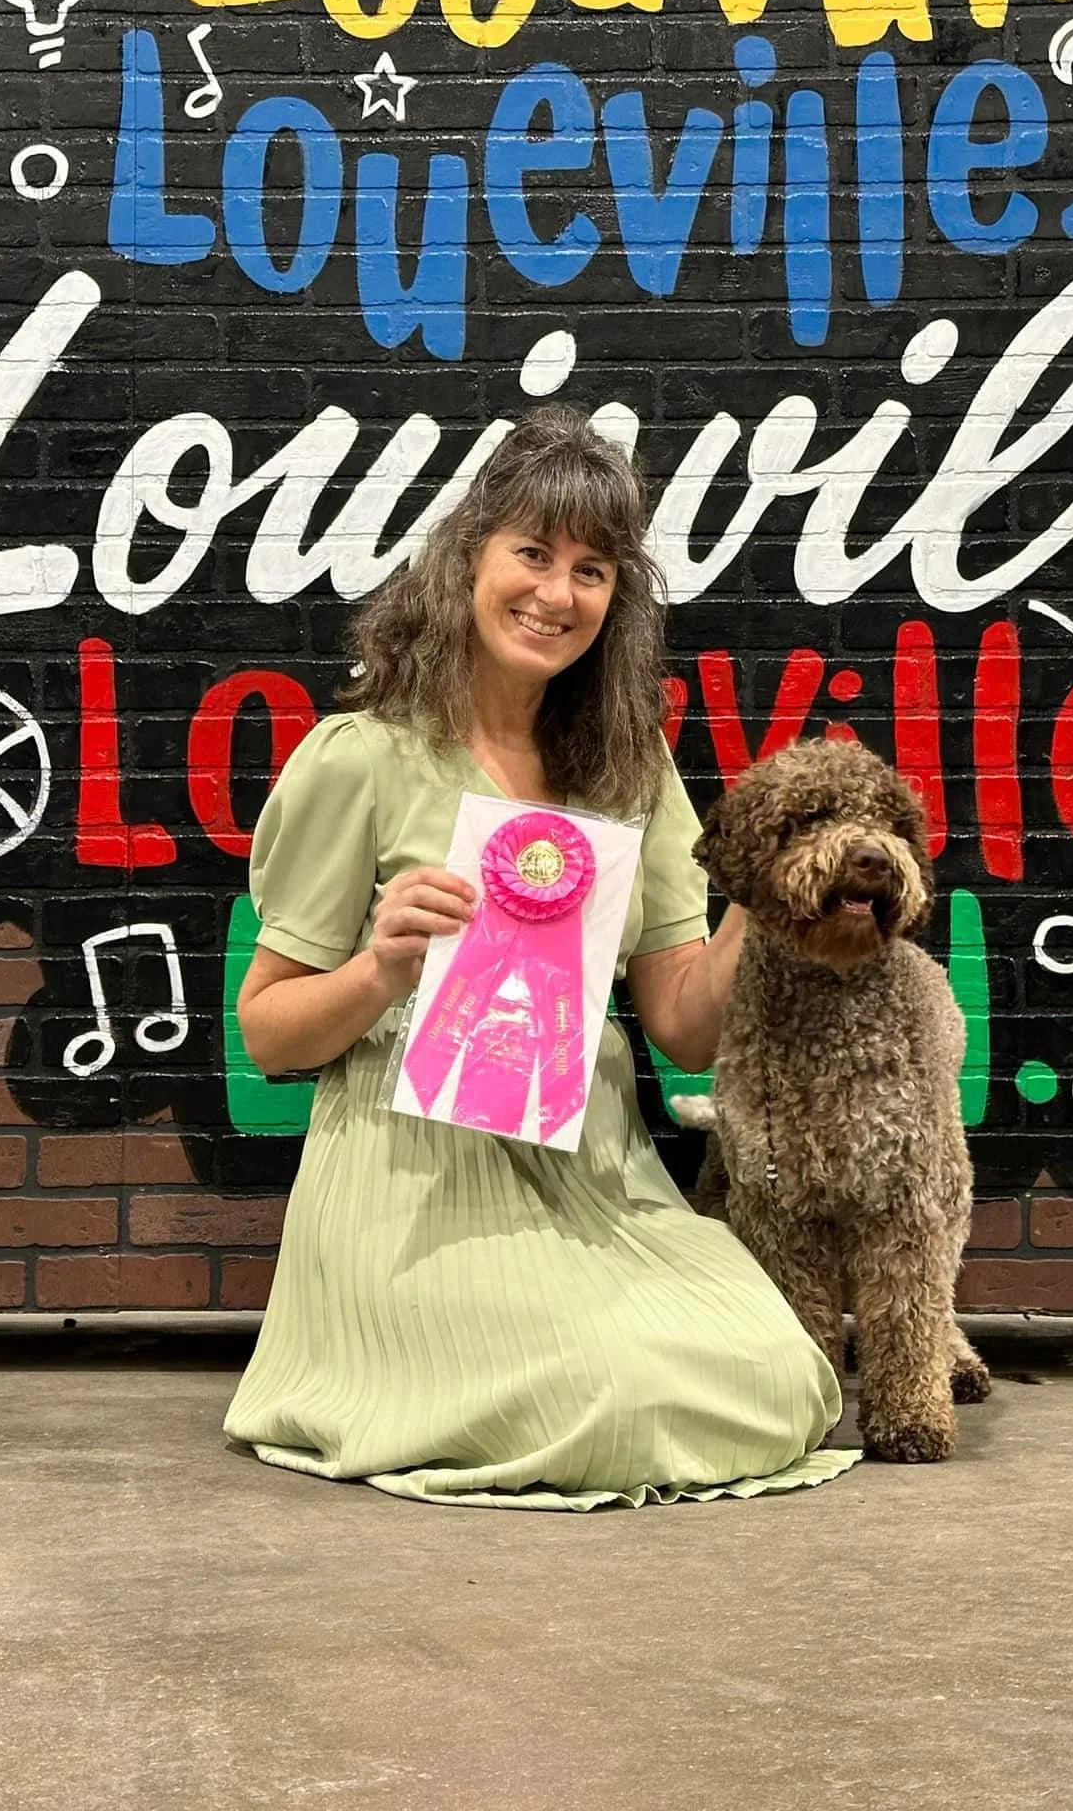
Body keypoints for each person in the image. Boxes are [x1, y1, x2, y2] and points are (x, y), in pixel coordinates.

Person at [223, 407, 861, 1509]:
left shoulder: (632, 765)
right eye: (531, 552)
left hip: (591, 1164)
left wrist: (760, 893)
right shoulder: (361, 755)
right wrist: (380, 968)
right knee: (604, 1392)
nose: (555, 594)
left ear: (617, 601)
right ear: (468, 557)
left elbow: (682, 1025)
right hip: (408, 1167)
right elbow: (267, 1030)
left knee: (783, 1376)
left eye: (592, 569)